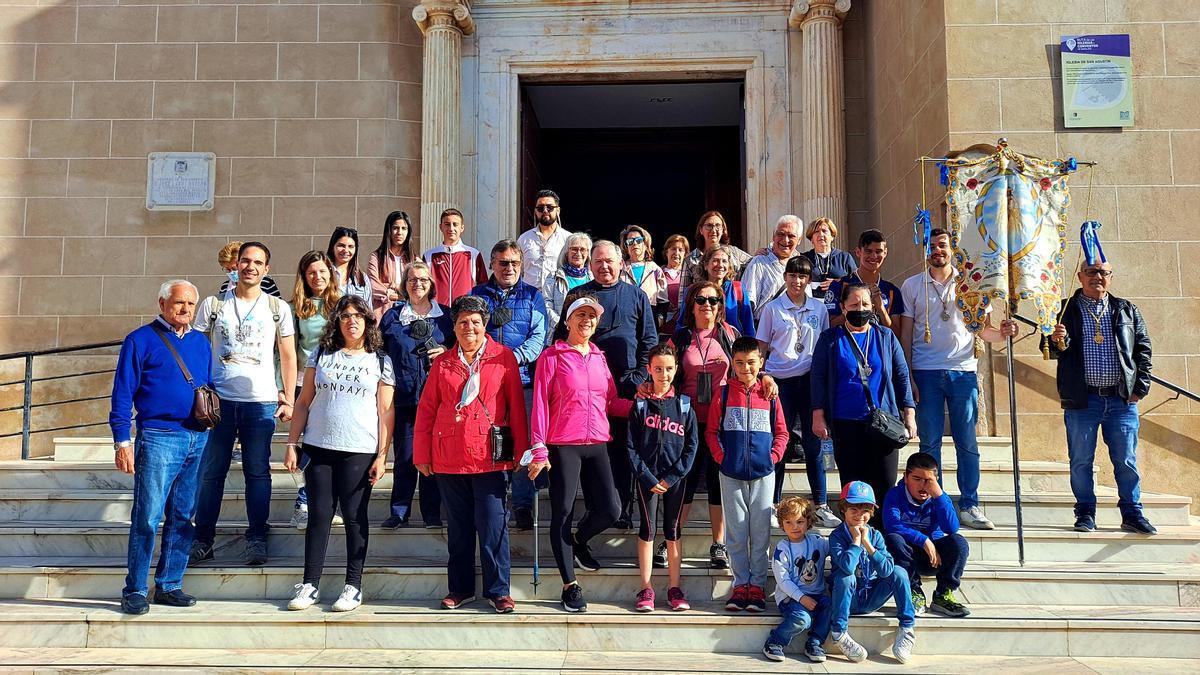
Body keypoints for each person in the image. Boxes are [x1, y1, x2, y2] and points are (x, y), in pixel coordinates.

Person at [414, 295, 528, 614]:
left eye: (476, 322)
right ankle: (460, 589)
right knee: (460, 529)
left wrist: (521, 449)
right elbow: (426, 410)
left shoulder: (502, 357)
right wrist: (421, 453)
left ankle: (498, 590)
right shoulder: (442, 363)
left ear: (485, 324)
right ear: (454, 327)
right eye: (463, 322)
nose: (470, 327)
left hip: (489, 456)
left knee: (493, 527)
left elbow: (516, 408)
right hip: (449, 455)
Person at [899, 228, 1018, 530]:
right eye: (932, 246)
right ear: (925, 250)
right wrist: (908, 377)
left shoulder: (972, 284)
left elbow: (984, 330)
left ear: (952, 249)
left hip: (963, 371)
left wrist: (1002, 334)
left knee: (967, 441)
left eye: (942, 245)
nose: (937, 250)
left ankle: (970, 503)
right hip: (926, 371)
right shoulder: (913, 285)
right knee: (930, 443)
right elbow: (906, 334)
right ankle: (929, 503)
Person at [283, 295, 395, 613]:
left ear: (368, 321)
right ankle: (309, 584)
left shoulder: (381, 360)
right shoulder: (322, 354)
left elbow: (385, 411)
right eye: (345, 315)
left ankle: (353, 586)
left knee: (355, 518)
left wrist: (382, 456)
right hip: (319, 447)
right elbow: (303, 401)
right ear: (337, 321)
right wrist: (292, 443)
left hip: (359, 450)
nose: (352, 321)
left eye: (358, 315)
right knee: (318, 516)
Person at [191, 242, 297, 567]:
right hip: (220, 402)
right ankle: (202, 540)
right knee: (211, 474)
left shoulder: (278, 308)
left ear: (266, 270)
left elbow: (289, 355)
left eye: (258, 262)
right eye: (246, 261)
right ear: (236, 265)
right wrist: (197, 390)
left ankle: (256, 538)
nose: (251, 266)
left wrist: (289, 398)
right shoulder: (213, 304)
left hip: (260, 402)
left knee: (258, 474)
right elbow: (195, 347)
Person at [109, 280, 212, 615]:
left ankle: (169, 584)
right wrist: (122, 440)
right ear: (163, 302)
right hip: (158, 437)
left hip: (197, 436)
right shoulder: (139, 340)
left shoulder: (200, 342)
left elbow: (207, 386)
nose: (185, 310)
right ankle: (136, 588)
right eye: (179, 303)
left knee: (183, 516)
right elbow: (122, 394)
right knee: (148, 516)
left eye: (191, 305)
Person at [528, 296, 631, 613]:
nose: (587, 320)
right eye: (581, 314)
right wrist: (538, 448)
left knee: (612, 509)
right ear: (568, 320)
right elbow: (541, 405)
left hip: (598, 441)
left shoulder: (600, 358)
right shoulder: (552, 356)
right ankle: (570, 586)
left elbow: (611, 401)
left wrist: (646, 405)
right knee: (562, 512)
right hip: (563, 445)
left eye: (592, 316)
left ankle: (578, 541)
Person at [1046, 259, 1156, 535]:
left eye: (1103, 273)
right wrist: (1057, 339)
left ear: (1111, 277)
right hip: (1083, 401)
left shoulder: (1126, 309)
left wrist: (1139, 389)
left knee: (1126, 460)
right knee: (1081, 460)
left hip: (1121, 401)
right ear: (1080, 276)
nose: (1098, 277)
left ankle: (1132, 512)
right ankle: (1085, 513)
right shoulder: (1063, 310)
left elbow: (1143, 350)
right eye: (1092, 272)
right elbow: (1049, 349)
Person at [555, 240, 657, 531]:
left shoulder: (636, 296)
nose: (604, 266)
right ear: (590, 265)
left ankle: (623, 510)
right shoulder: (579, 296)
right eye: (597, 261)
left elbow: (649, 342)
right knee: (593, 456)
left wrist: (638, 377)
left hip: (627, 391)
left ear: (621, 263)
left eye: (609, 261)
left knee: (625, 453)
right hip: (587, 395)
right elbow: (561, 339)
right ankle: (596, 510)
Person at [811, 283, 916, 529]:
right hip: (846, 423)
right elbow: (818, 377)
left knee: (884, 486)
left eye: (865, 304)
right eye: (854, 305)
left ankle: (882, 545)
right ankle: (856, 542)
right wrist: (818, 414)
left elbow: (901, 375)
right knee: (853, 488)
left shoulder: (885, 336)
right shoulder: (830, 339)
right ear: (843, 307)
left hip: (883, 424)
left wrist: (909, 412)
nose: (860, 309)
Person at [470, 240, 549, 530]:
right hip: (485, 383)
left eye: (515, 263)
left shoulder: (532, 296)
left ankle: (523, 505)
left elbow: (538, 338)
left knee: (522, 444)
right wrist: (491, 359)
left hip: (523, 380)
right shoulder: (478, 295)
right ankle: (493, 501)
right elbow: (470, 332)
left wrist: (509, 359)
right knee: (487, 441)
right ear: (492, 264)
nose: (509, 268)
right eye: (503, 263)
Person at [707, 337, 788, 614]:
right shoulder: (724, 394)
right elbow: (711, 432)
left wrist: (773, 458)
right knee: (737, 532)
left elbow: (782, 432)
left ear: (761, 363)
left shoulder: (770, 394)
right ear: (732, 362)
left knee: (760, 532)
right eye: (739, 363)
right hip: (731, 474)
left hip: (763, 474)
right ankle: (740, 584)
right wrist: (722, 458)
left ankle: (757, 585)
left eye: (751, 363)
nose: (746, 368)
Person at [755, 256, 838, 525]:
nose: (797, 281)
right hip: (781, 382)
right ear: (785, 277)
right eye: (792, 275)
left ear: (809, 279)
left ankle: (822, 504)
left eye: (802, 276)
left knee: (814, 443)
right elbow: (762, 349)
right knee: (779, 441)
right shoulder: (772, 309)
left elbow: (825, 346)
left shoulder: (818, 309)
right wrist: (763, 376)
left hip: (811, 380)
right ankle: (773, 503)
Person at [667, 280, 738, 570]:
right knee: (684, 479)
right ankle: (672, 536)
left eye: (713, 300)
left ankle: (718, 543)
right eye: (701, 300)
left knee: (716, 483)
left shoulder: (730, 335)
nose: (707, 305)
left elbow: (747, 368)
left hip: (720, 421)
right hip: (688, 420)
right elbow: (666, 372)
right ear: (692, 305)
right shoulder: (681, 338)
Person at [379, 260, 452, 529]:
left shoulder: (445, 316)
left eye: (423, 279)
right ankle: (399, 511)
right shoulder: (392, 316)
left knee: (432, 457)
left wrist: (445, 351)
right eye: (412, 279)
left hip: (439, 399)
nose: (418, 284)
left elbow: (461, 349)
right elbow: (379, 351)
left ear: (431, 284)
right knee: (406, 457)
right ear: (404, 284)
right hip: (405, 397)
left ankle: (432, 514)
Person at [626, 343, 698, 612]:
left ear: (676, 369)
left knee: (673, 529)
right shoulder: (640, 405)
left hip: (674, 480)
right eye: (658, 369)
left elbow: (692, 447)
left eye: (668, 369)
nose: (663, 374)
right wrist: (646, 476)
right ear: (649, 370)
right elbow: (631, 447)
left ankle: (674, 587)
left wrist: (672, 476)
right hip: (648, 480)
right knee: (647, 529)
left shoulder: (684, 405)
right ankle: (646, 588)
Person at [828, 481, 917, 664]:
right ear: (843, 509)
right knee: (845, 577)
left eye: (865, 511)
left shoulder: (875, 536)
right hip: (848, 599)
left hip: (872, 597)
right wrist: (855, 542)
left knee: (899, 572)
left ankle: (907, 628)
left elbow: (886, 571)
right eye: (854, 510)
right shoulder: (837, 536)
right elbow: (846, 567)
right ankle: (839, 632)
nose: (860, 516)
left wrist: (868, 545)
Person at [287, 250, 342, 530]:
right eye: (311, 272)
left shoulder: (342, 303)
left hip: (338, 385)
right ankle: (303, 503)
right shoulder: (295, 306)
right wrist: (283, 390)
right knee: (309, 444)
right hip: (304, 382)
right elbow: (286, 350)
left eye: (322, 271)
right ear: (304, 276)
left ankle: (331, 501)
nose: (317, 277)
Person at [883, 452, 971, 618]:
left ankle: (943, 594)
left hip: (934, 558)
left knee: (959, 542)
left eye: (928, 480)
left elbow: (951, 528)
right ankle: (914, 590)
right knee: (893, 539)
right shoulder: (895, 495)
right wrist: (924, 540)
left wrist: (939, 496)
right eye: (917, 479)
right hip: (907, 555)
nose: (923, 485)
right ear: (906, 477)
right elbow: (892, 525)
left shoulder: (938, 497)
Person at [762, 496, 831, 663]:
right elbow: (783, 580)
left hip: (817, 595)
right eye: (788, 522)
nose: (795, 527)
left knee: (831, 605)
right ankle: (774, 641)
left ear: (808, 521)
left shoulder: (818, 542)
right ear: (781, 524)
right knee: (802, 619)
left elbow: (836, 546)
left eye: (800, 522)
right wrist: (802, 598)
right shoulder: (782, 549)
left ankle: (814, 642)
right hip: (790, 598)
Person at [825, 229, 904, 332]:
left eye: (878, 251)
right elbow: (829, 326)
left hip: (878, 347)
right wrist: (857, 308)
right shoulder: (839, 285)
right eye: (868, 251)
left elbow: (896, 335)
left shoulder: (892, 291)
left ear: (885, 253)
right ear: (858, 252)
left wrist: (880, 308)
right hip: (847, 345)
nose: (874, 256)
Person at [676, 246, 755, 338]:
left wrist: (750, 349)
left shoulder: (738, 289)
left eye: (724, 261)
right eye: (715, 261)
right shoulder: (692, 291)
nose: (720, 265)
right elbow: (682, 324)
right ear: (705, 265)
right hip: (700, 346)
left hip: (733, 348)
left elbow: (748, 325)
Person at [517, 189, 572, 320]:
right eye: (541, 208)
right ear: (535, 211)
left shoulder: (568, 239)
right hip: (528, 299)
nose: (545, 211)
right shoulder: (524, 239)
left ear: (558, 210)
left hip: (557, 301)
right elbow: (519, 270)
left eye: (550, 207)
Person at [740, 214, 802, 319]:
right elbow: (747, 303)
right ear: (773, 236)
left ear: (799, 240)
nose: (785, 240)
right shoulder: (758, 263)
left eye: (791, 236)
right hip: (765, 330)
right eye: (780, 234)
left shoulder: (802, 266)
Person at [423, 207, 488, 306]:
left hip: (464, 313)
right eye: (447, 224)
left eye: (455, 225)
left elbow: (483, 286)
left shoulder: (473, 254)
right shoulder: (429, 255)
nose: (451, 228)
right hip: (437, 313)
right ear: (441, 227)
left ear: (462, 228)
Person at [681, 210, 752, 289]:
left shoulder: (734, 252)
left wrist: (760, 254)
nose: (714, 230)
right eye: (709, 225)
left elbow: (754, 264)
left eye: (718, 225)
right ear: (701, 230)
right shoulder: (690, 259)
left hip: (731, 300)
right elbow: (683, 294)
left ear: (723, 230)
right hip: (704, 300)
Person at [619, 224, 670, 330]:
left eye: (638, 240)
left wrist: (659, 319)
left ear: (646, 244)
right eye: (630, 242)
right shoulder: (619, 268)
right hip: (626, 320)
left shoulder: (655, 269)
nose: (635, 244)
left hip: (650, 319)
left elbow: (663, 300)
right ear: (626, 247)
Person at [544, 232, 593, 337]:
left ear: (588, 253)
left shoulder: (593, 278)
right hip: (561, 332)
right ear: (567, 252)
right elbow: (546, 304)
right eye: (574, 249)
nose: (578, 253)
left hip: (587, 333)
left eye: (582, 249)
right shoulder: (553, 277)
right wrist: (562, 323)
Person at [366, 211, 413, 320]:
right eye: (395, 228)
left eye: (404, 228)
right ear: (389, 230)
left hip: (409, 313)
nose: (399, 232)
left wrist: (397, 287)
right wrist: (388, 292)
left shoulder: (414, 260)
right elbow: (372, 284)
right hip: (383, 313)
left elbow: (419, 288)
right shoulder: (376, 257)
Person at [801, 217, 856, 300]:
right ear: (811, 239)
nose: (821, 234)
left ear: (832, 236)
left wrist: (838, 284)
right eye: (816, 232)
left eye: (824, 231)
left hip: (839, 309)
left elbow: (856, 283)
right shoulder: (804, 258)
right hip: (811, 308)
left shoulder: (844, 257)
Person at [327, 226, 373, 310]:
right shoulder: (324, 273)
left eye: (351, 246)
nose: (346, 250)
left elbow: (368, 310)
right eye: (341, 245)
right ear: (332, 247)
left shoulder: (362, 278)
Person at [660, 234, 689, 331]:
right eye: (673, 249)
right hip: (663, 324)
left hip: (684, 323)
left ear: (685, 254)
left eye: (680, 250)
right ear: (666, 252)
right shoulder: (657, 273)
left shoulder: (690, 275)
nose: (676, 253)